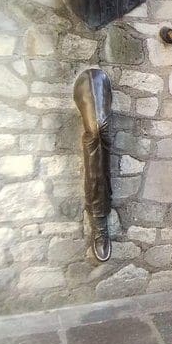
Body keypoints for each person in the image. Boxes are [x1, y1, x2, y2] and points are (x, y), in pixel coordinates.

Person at [73, 68, 113, 262]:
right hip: (87, 82)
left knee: (100, 131)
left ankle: (100, 220)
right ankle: (99, 223)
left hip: (100, 80)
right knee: (95, 132)